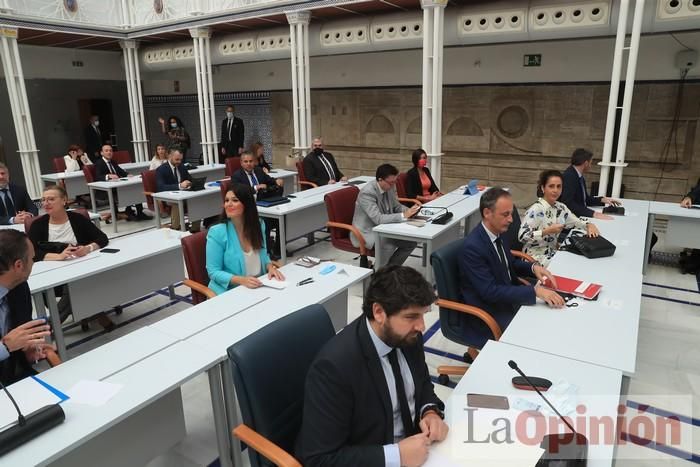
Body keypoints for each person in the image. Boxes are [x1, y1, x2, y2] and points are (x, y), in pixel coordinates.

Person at [297, 265, 448, 467]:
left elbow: (422, 384)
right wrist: (396, 456)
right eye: (411, 317)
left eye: (423, 315)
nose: (421, 326)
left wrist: (430, 411)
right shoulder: (334, 368)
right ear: (379, 312)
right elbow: (319, 459)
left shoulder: (407, 337)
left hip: (419, 448)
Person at [460, 188, 565, 335]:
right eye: (505, 214)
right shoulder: (473, 247)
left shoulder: (498, 232)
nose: (511, 219)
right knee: (538, 331)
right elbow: (489, 292)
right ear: (487, 213)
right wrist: (534, 290)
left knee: (554, 316)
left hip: (508, 297)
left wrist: (533, 268)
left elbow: (509, 264)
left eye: (511, 213)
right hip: (489, 312)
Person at [27, 185, 112, 330]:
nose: (46, 203)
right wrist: (58, 256)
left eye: (51, 199)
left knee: (79, 282)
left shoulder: (77, 219)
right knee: (72, 285)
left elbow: (102, 238)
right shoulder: (38, 225)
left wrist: (88, 248)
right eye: (43, 200)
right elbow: (32, 252)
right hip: (53, 274)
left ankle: (49, 327)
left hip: (82, 268)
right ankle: (94, 313)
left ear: (64, 201)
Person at [206, 183, 284, 295]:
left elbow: (264, 254)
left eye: (235, 200)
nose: (229, 204)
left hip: (259, 286)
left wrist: (270, 267)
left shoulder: (259, 224)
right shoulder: (217, 232)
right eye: (226, 200)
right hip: (230, 292)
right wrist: (242, 280)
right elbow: (213, 272)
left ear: (247, 204)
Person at [0, 230, 54, 385]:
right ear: (19, 265)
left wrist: (27, 349)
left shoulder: (19, 286)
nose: (33, 262)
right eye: (32, 259)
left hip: (15, 377)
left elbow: (21, 334)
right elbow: (9, 344)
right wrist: (6, 347)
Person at [519, 170, 600, 265]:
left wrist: (589, 225)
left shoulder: (561, 207)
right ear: (543, 188)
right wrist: (546, 231)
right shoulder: (536, 210)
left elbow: (576, 222)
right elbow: (522, 236)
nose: (555, 190)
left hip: (553, 252)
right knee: (571, 264)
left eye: (559, 186)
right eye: (551, 186)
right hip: (534, 257)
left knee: (579, 259)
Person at [352, 164, 420, 268]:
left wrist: (410, 211)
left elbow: (396, 206)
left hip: (385, 227)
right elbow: (378, 218)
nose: (393, 185)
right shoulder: (367, 193)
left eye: (395, 182)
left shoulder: (389, 187)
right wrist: (403, 215)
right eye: (391, 182)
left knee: (410, 242)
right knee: (388, 244)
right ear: (380, 180)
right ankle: (379, 274)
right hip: (366, 232)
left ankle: (389, 270)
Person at [231, 151, 283, 258]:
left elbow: (270, 180)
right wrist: (256, 188)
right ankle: (268, 253)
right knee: (266, 222)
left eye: (251, 161)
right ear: (241, 163)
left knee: (281, 219)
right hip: (248, 207)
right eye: (246, 161)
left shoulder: (258, 171)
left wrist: (277, 181)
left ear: (254, 162)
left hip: (264, 203)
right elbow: (239, 192)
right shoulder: (237, 176)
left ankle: (279, 249)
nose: (249, 164)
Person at [94, 144, 152, 221]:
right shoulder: (99, 163)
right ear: (102, 153)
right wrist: (108, 176)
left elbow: (120, 171)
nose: (109, 152)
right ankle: (129, 212)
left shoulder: (113, 162)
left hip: (117, 186)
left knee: (134, 189)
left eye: (111, 151)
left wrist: (127, 174)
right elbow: (97, 177)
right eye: (106, 151)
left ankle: (139, 213)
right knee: (128, 191)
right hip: (107, 189)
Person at [560, 148, 621, 220]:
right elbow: (568, 203)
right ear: (586, 163)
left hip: (579, 215)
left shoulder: (578, 175)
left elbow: (585, 199)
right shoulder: (569, 176)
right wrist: (592, 213)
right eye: (591, 163)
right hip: (572, 219)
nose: (590, 166)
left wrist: (602, 199)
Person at [156, 148, 194, 231]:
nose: (179, 162)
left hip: (184, 194)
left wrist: (190, 183)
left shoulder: (182, 167)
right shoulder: (161, 169)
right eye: (177, 159)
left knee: (196, 199)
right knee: (177, 202)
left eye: (180, 159)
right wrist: (179, 186)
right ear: (170, 156)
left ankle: (195, 228)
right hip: (169, 197)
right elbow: (161, 187)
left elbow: (190, 179)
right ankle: (175, 228)